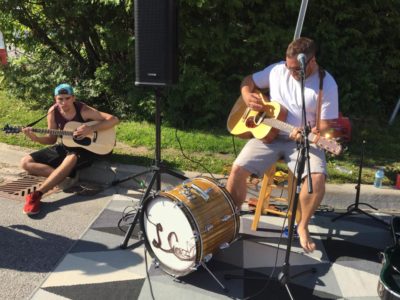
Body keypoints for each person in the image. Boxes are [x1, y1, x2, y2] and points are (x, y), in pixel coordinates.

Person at [226, 37, 339, 253]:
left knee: (317, 178)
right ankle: (232, 218)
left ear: (312, 61)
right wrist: (248, 95)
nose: (290, 72)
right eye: (289, 67)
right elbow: (248, 80)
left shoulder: (327, 84)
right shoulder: (277, 70)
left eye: (296, 69)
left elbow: (325, 128)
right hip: (268, 135)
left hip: (302, 141)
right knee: (237, 169)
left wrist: (315, 133)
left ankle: (303, 225)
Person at [20, 83, 119, 216]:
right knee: (25, 162)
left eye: (67, 98)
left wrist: (91, 128)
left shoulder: (83, 110)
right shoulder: (53, 112)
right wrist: (35, 138)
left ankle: (37, 194)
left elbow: (113, 120)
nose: (64, 102)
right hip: (66, 145)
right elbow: (51, 139)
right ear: (55, 99)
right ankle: (64, 179)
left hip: (88, 149)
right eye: (60, 99)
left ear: (73, 98)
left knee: (71, 157)